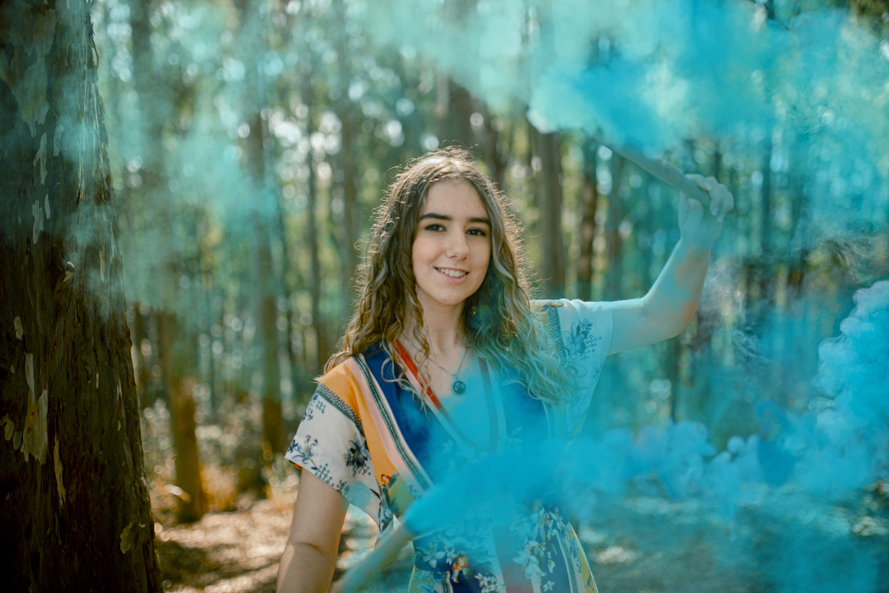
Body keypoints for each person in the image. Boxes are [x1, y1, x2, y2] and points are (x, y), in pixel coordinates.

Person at [276, 147, 733, 593]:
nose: (459, 248)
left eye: (476, 232)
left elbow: (660, 315)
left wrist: (695, 242)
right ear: (402, 241)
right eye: (436, 226)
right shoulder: (354, 389)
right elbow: (311, 544)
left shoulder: (538, 336)